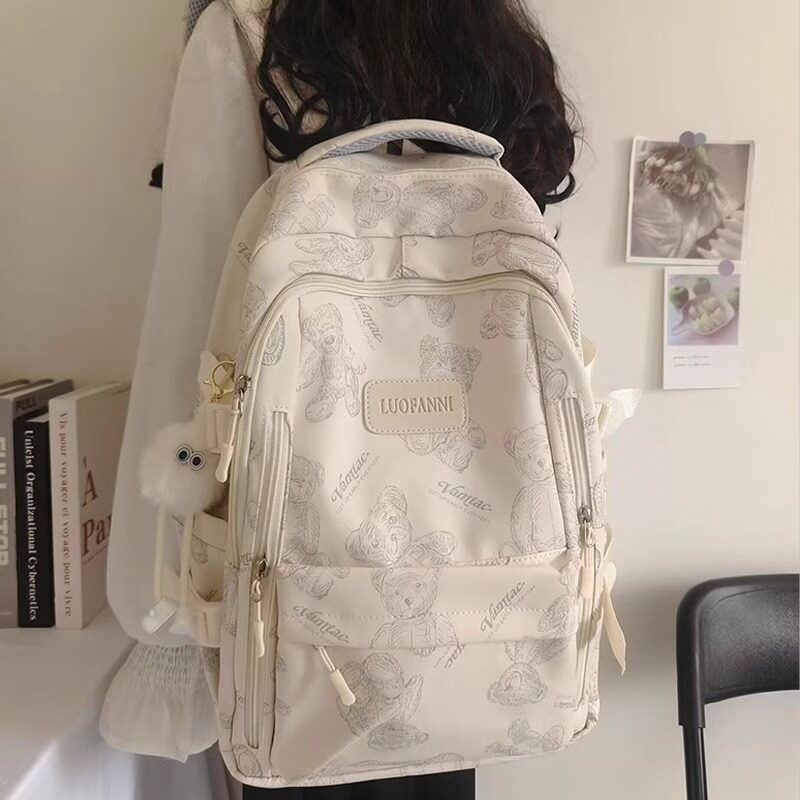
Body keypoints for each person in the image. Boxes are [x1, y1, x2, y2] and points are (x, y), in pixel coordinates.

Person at [102, 1, 579, 796]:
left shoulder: (248, 33)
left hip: (306, 586)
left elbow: (195, 329)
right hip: (482, 588)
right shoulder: (488, 35)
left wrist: (160, 602)